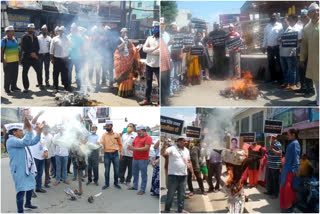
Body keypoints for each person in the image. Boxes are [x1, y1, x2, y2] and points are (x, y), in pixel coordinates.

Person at [6, 118, 45, 213]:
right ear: (14, 132)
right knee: (21, 191)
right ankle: (20, 211)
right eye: (20, 131)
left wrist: (39, 131)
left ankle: (28, 203)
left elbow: (33, 141)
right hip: (19, 170)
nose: (22, 132)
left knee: (30, 186)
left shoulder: (20, 140)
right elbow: (26, 142)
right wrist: (29, 129)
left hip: (27, 168)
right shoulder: (11, 140)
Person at [161, 135, 194, 213]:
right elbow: (164, 153)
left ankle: (180, 209)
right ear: (178, 141)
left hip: (183, 175)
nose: (186, 142)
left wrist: (192, 173)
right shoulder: (172, 148)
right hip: (173, 175)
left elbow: (189, 162)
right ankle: (167, 209)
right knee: (171, 194)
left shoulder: (186, 150)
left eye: (186, 141)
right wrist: (164, 146)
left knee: (181, 194)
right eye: (184, 141)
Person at [300, 2, 319, 105]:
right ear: (310, 14)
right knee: (316, 81)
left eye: (318, 10)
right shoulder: (307, 27)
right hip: (313, 60)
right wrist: (302, 59)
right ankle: (318, 100)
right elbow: (304, 45)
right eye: (314, 11)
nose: (316, 12)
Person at [114, 28, 140, 97]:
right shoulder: (118, 40)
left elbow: (132, 49)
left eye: (126, 32)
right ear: (121, 33)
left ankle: (128, 92)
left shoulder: (129, 41)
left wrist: (135, 49)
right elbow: (118, 49)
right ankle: (122, 92)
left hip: (129, 61)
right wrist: (124, 43)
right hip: (121, 62)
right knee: (123, 78)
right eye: (124, 32)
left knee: (129, 77)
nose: (125, 34)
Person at [279, 14, 302, 90]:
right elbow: (281, 39)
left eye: (288, 20)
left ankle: (292, 84)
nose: (285, 22)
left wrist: (289, 40)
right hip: (283, 51)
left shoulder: (297, 28)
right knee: (285, 69)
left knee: (292, 69)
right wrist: (281, 40)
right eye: (283, 21)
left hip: (291, 51)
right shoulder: (283, 29)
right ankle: (286, 83)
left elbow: (300, 40)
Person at [127, 125, 153, 195]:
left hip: (143, 159)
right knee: (135, 173)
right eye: (137, 131)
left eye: (139, 131)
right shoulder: (136, 137)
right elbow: (133, 144)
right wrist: (130, 146)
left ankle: (142, 189)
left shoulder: (148, 138)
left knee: (143, 174)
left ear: (144, 131)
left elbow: (146, 148)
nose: (138, 132)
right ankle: (135, 186)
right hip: (135, 158)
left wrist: (134, 148)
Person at [280, 129, 301, 212]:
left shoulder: (295, 144)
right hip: (286, 170)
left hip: (290, 171)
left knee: (289, 189)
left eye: (288, 134)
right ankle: (285, 205)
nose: (287, 136)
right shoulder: (291, 143)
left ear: (293, 135)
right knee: (284, 188)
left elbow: (296, 158)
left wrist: (297, 169)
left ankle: (289, 206)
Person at [296, 9, 315, 97]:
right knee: (301, 70)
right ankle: (304, 87)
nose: (304, 18)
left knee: (308, 71)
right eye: (302, 16)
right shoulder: (303, 26)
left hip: (310, 52)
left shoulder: (314, 25)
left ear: (309, 15)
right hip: (302, 50)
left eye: (305, 16)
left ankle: (310, 89)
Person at [21, 23, 44, 92]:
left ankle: (40, 84)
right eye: (30, 29)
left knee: (39, 71)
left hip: (34, 58)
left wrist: (35, 54)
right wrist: (31, 53)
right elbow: (24, 47)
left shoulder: (35, 37)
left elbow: (37, 47)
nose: (32, 30)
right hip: (27, 58)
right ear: (28, 29)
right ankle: (26, 88)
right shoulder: (24, 37)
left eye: (33, 29)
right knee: (25, 73)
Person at [141, 21, 160, 105]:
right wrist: (152, 50)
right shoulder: (149, 38)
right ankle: (147, 100)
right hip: (149, 64)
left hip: (158, 65)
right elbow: (144, 49)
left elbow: (160, 51)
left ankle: (160, 102)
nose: (154, 29)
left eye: (156, 27)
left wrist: (150, 51)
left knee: (160, 84)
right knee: (148, 83)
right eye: (153, 27)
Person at [100, 120, 122, 190]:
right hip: (107, 154)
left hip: (115, 154)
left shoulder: (117, 134)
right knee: (107, 170)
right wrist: (99, 144)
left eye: (108, 126)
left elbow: (120, 144)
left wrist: (121, 152)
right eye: (106, 126)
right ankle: (107, 184)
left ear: (112, 126)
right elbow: (102, 143)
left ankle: (116, 183)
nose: (107, 127)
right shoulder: (104, 135)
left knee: (116, 170)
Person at [262, 13, 283, 84]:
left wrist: (280, 39)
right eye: (272, 16)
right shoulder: (267, 26)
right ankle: (273, 79)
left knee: (279, 63)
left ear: (276, 17)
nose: (273, 17)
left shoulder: (280, 25)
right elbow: (265, 37)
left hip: (277, 47)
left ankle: (280, 79)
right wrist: (264, 47)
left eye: (274, 16)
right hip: (269, 48)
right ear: (270, 17)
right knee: (271, 64)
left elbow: (282, 35)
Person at [50, 26, 72, 93]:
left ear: (65, 32)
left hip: (65, 59)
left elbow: (71, 45)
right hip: (57, 59)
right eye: (60, 31)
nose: (61, 32)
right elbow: (51, 50)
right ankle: (55, 87)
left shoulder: (67, 39)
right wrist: (51, 58)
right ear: (58, 31)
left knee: (65, 74)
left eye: (63, 31)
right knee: (55, 74)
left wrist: (66, 38)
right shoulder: (54, 39)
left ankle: (66, 87)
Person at [29, 125, 49, 193]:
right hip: (34, 157)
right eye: (37, 126)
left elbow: (44, 145)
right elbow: (31, 125)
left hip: (42, 157)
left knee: (40, 173)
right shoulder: (32, 133)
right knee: (33, 174)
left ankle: (38, 188)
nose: (39, 127)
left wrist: (46, 151)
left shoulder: (42, 134)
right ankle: (31, 191)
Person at [1, 25, 20, 94]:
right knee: (8, 76)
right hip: (8, 61)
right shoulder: (4, 40)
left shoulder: (15, 39)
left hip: (15, 60)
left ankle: (13, 87)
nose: (12, 32)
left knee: (15, 74)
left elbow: (17, 49)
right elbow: (1, 51)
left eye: (13, 31)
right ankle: (7, 88)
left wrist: (18, 59)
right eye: (11, 31)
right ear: (7, 32)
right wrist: (3, 60)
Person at [265, 134, 282, 199]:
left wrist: (272, 149)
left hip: (275, 165)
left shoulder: (278, 144)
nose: (269, 138)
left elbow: (279, 153)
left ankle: (275, 194)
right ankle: (270, 191)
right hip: (270, 164)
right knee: (270, 179)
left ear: (273, 137)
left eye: (270, 137)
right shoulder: (271, 144)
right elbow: (269, 153)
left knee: (275, 181)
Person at [68, 23, 84, 90]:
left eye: (75, 28)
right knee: (69, 72)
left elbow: (82, 48)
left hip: (78, 58)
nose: (73, 29)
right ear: (70, 29)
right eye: (72, 28)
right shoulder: (67, 37)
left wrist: (83, 57)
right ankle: (68, 84)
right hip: (69, 58)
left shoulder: (80, 38)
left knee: (78, 72)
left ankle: (79, 84)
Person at [88, 25, 104, 92]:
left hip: (98, 57)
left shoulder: (101, 38)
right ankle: (90, 84)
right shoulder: (90, 38)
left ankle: (97, 85)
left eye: (96, 32)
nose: (95, 33)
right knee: (90, 71)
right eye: (94, 32)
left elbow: (103, 48)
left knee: (98, 71)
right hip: (91, 57)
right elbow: (88, 47)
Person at [169, 22, 182, 97]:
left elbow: (181, 46)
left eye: (175, 28)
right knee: (172, 75)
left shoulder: (179, 36)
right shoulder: (168, 36)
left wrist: (181, 54)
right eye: (173, 28)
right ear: (170, 28)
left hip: (178, 58)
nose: (174, 29)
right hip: (171, 58)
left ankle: (176, 88)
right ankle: (171, 90)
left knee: (177, 74)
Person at [160, 18, 171, 106]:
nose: (162, 25)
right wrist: (169, 44)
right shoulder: (156, 37)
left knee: (167, 82)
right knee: (163, 83)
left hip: (168, 62)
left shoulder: (167, 35)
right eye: (160, 24)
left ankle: (166, 98)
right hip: (161, 65)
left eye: (163, 24)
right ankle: (164, 101)